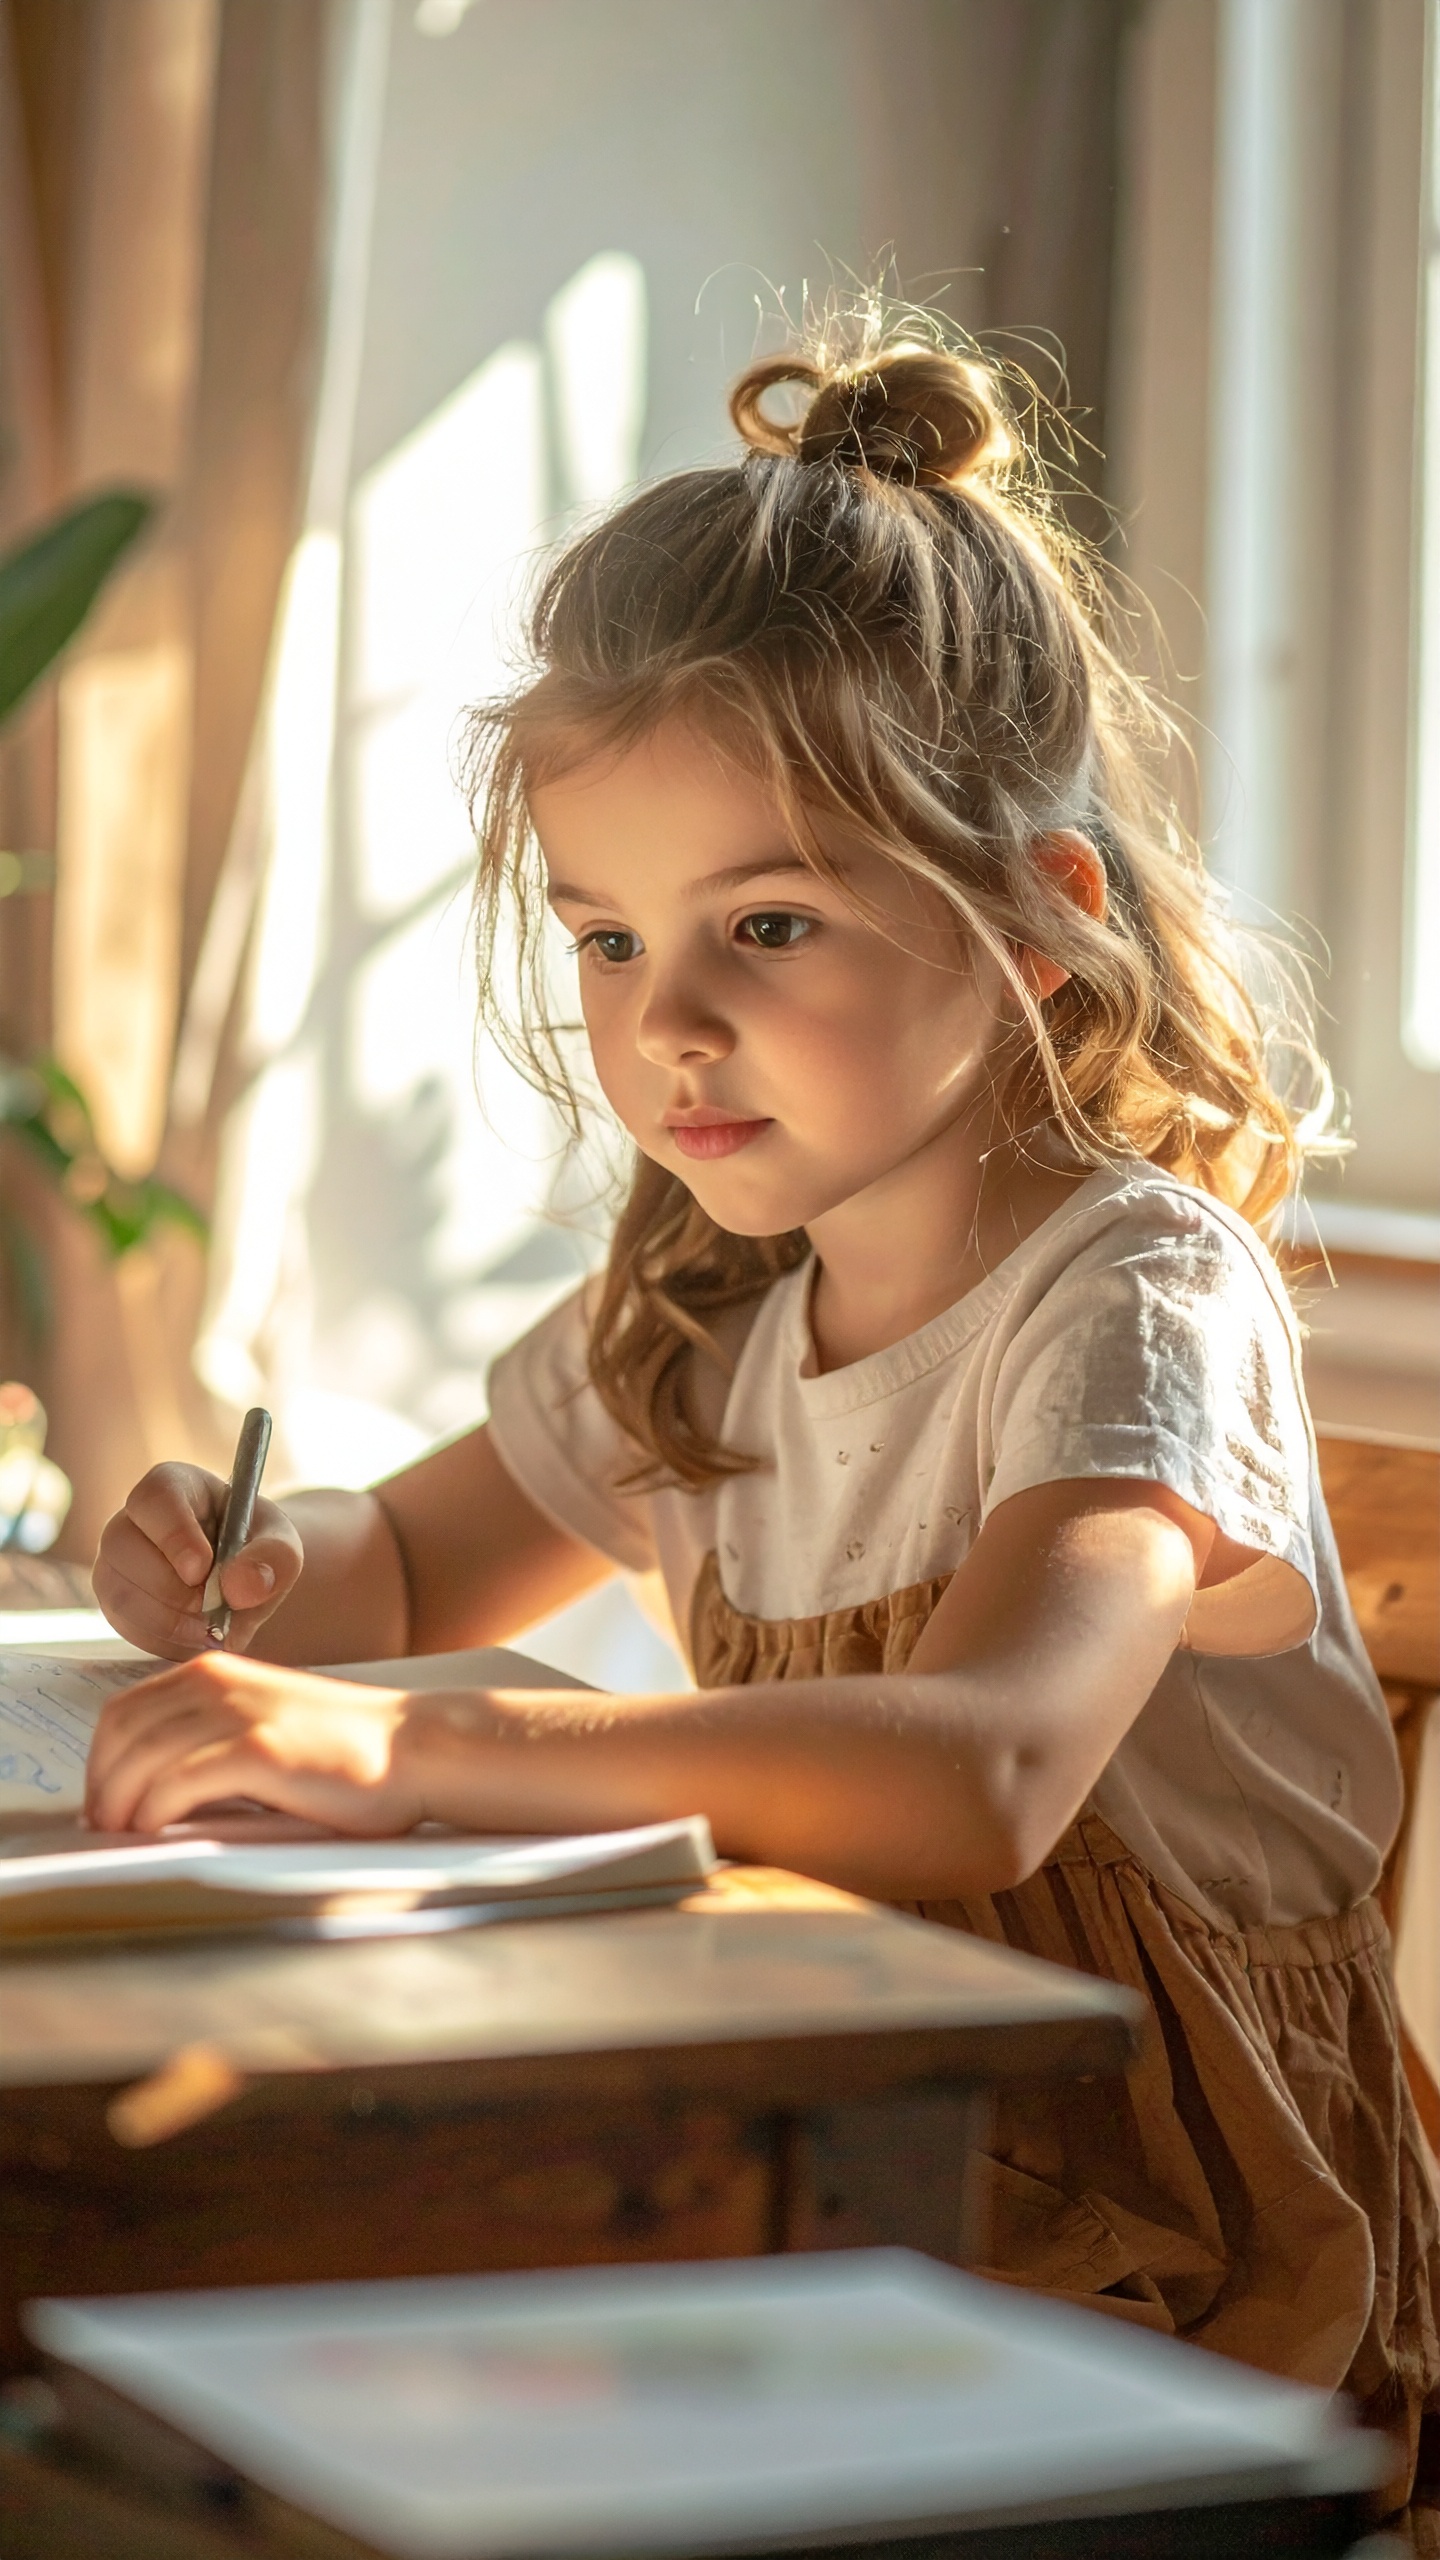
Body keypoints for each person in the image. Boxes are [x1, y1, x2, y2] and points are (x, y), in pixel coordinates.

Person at [89, 315, 1438, 2506]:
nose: (670, 1025)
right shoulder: (705, 1309)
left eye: (770, 921)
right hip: (823, 2128)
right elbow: (419, 1558)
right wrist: (250, 1557)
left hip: (1155, 2270)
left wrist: (409, 1742)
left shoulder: (1130, 1292)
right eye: (607, 938)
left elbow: (990, 1768)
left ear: (1043, 916)